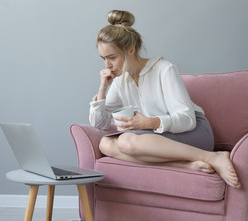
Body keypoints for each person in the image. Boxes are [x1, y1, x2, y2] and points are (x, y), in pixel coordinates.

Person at [89, 10, 240, 189]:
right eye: (103, 58)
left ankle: (213, 156)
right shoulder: (119, 80)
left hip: (193, 132)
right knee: (105, 144)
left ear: (131, 50)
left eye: (112, 57)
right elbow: (99, 124)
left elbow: (188, 120)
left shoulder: (164, 69)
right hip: (158, 138)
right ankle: (185, 165)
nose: (107, 65)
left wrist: (148, 123)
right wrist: (103, 88)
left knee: (125, 141)